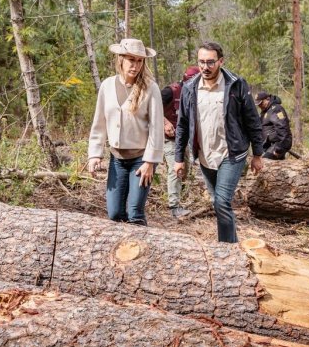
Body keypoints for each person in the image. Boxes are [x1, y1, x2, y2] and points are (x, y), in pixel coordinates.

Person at [174, 42, 264, 243]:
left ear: (221, 62)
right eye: (201, 62)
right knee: (218, 202)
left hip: (231, 153)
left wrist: (257, 154)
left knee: (222, 201)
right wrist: (179, 158)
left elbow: (252, 120)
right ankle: (233, 244)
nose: (205, 67)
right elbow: (182, 125)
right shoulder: (190, 88)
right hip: (205, 155)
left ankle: (226, 249)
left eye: (210, 62)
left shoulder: (236, 84)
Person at [87, 38, 164, 226]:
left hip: (140, 160)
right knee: (115, 214)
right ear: (120, 59)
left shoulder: (150, 88)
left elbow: (156, 127)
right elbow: (99, 123)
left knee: (135, 212)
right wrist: (94, 155)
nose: (135, 65)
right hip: (117, 160)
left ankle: (142, 251)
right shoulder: (107, 85)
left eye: (139, 61)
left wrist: (150, 162)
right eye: (131, 60)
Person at [161, 65, 199, 218]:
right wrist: (164, 123)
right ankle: (174, 206)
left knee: (185, 170)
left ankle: (178, 197)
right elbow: (150, 106)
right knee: (175, 169)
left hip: (183, 139)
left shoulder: (197, 95)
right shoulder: (170, 91)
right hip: (168, 139)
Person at [255, 91, 293, 160]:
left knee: (266, 164)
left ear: (268, 99)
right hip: (268, 145)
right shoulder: (265, 110)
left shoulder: (276, 109)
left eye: (261, 103)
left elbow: (283, 130)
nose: (260, 106)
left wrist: (279, 149)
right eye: (258, 105)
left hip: (277, 146)